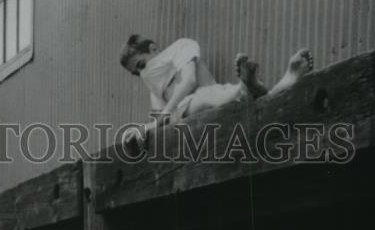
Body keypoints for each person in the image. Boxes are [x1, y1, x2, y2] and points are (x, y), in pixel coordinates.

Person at [120, 35, 313, 150]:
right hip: (186, 116)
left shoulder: (181, 47)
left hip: (213, 98)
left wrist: (162, 116)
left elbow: (189, 81)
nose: (143, 73)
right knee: (212, 97)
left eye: (141, 64)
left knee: (219, 95)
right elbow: (160, 123)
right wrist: (145, 129)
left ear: (153, 49)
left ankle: (281, 81)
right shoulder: (153, 87)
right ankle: (247, 86)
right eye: (137, 73)